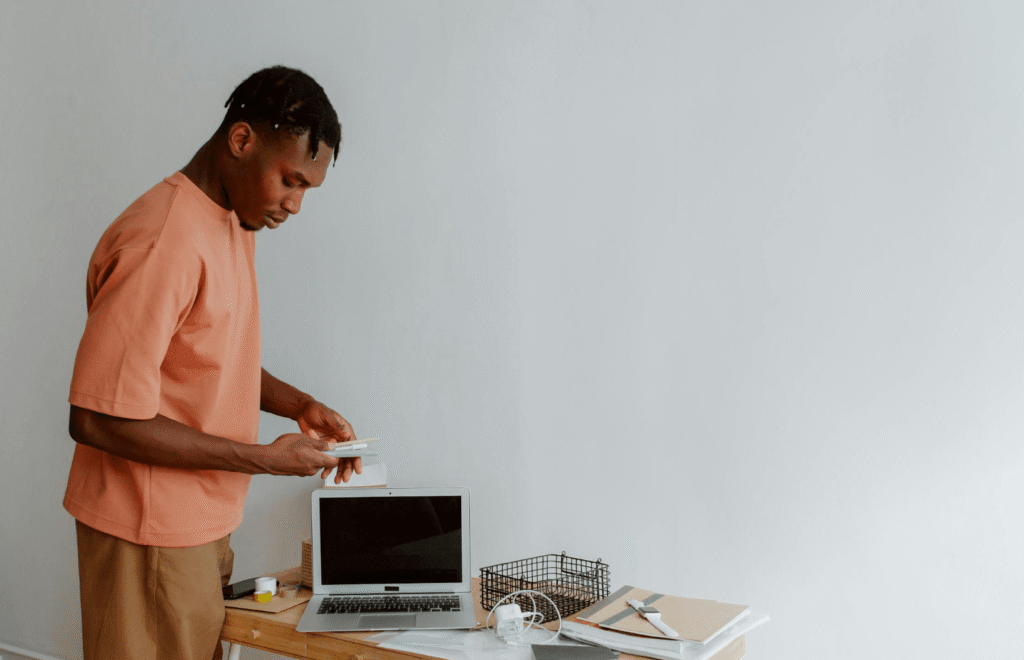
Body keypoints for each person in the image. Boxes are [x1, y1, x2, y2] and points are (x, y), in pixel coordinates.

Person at [63, 65, 360, 660]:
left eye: (307, 190)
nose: (295, 205)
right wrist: (262, 461)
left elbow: (207, 360)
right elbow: (97, 418)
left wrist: (297, 405)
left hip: (196, 526)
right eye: (291, 180)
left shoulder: (230, 218)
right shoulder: (163, 241)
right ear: (242, 140)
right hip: (146, 533)